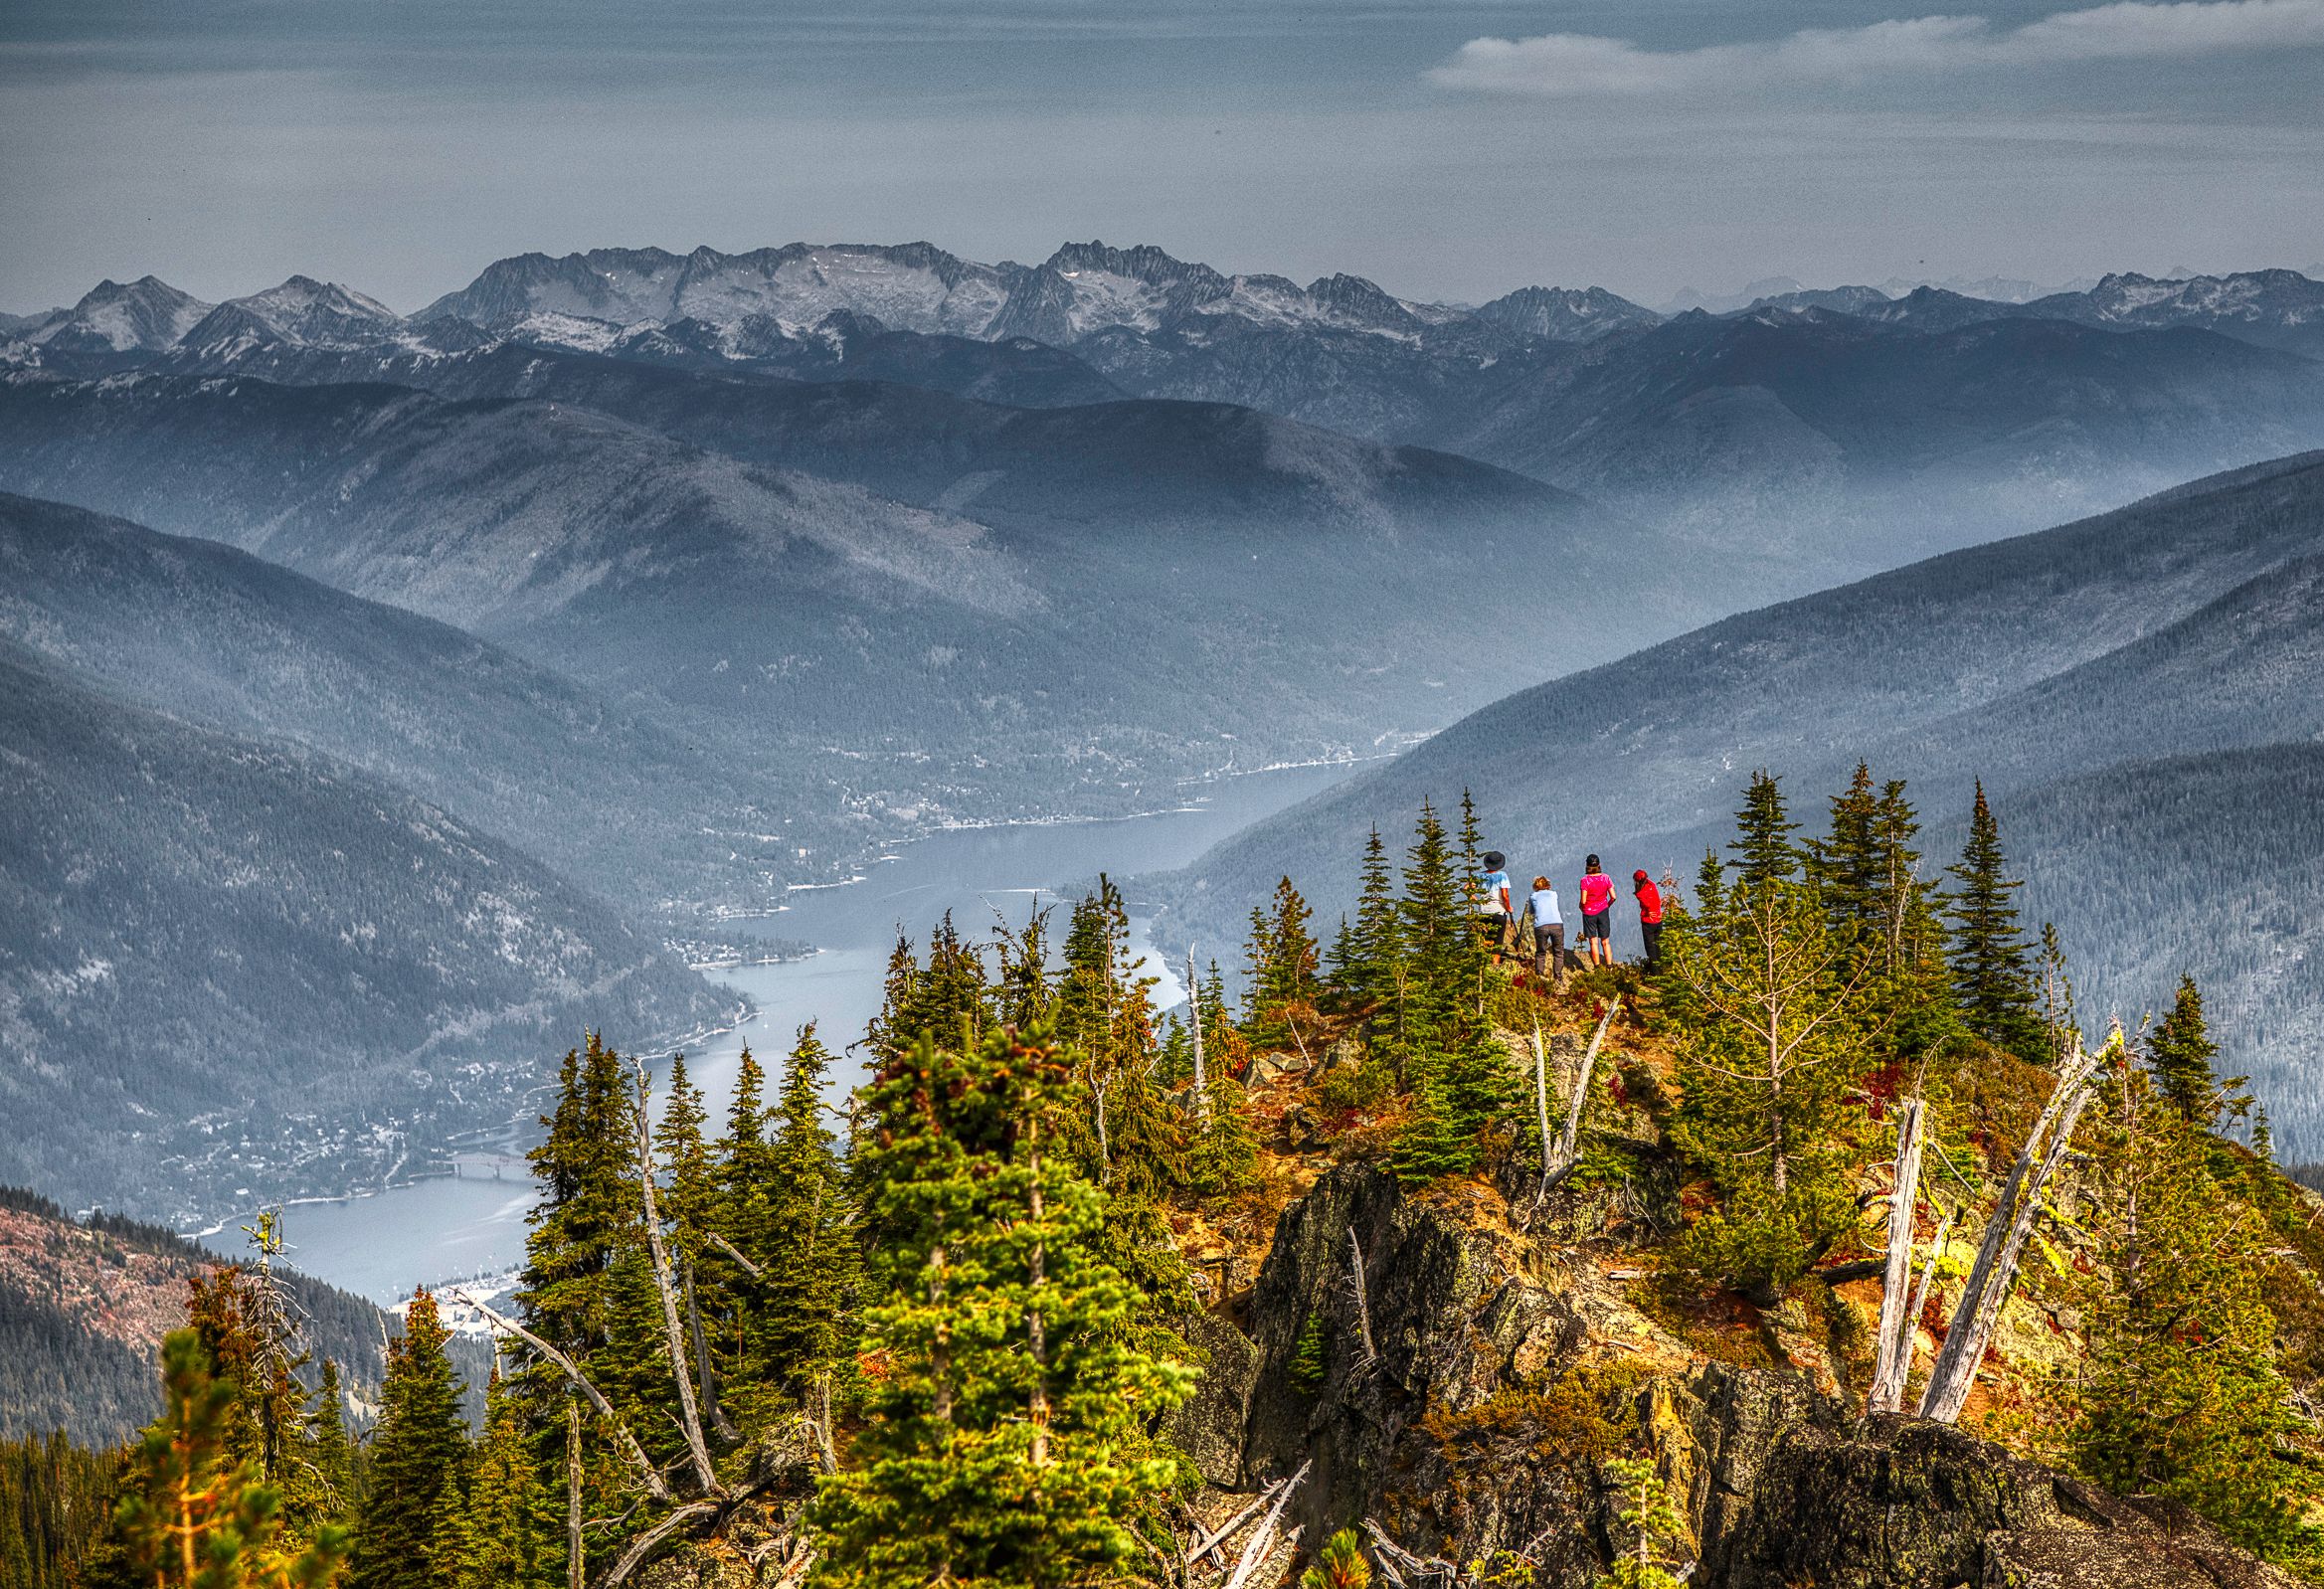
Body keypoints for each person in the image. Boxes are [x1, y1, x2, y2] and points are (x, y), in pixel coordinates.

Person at [1525, 875, 1565, 989]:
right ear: (1548, 885)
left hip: (1541, 926)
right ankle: (1558, 978)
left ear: (1535, 886)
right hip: (1557, 924)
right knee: (1558, 952)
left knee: (1541, 952)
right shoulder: (1554, 894)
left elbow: (1531, 912)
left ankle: (1539, 976)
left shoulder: (1533, 896)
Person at [1577, 854, 1617, 968]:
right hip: (1603, 911)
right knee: (1605, 941)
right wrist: (1607, 905)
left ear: (1587, 866)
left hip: (1589, 913)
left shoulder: (1585, 880)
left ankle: (1597, 967)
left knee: (1593, 942)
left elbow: (1583, 900)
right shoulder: (1606, 878)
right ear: (1599, 865)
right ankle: (1609, 967)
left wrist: (1581, 907)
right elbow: (1613, 896)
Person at [1476, 849, 1514, 961]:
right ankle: (1495, 965)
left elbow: (1466, 888)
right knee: (1497, 942)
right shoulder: (1502, 875)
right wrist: (1509, 908)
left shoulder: (1480, 876)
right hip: (1498, 912)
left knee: (1486, 939)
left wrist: (1474, 899)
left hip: (1483, 912)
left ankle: (1484, 966)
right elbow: (1505, 895)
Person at [1633, 869, 1665, 971]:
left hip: (1648, 922)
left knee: (1651, 949)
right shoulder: (1652, 886)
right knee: (1658, 947)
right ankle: (1662, 971)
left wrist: (1648, 912)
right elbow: (1656, 901)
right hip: (1658, 920)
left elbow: (1647, 904)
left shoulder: (1640, 893)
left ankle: (1655, 975)